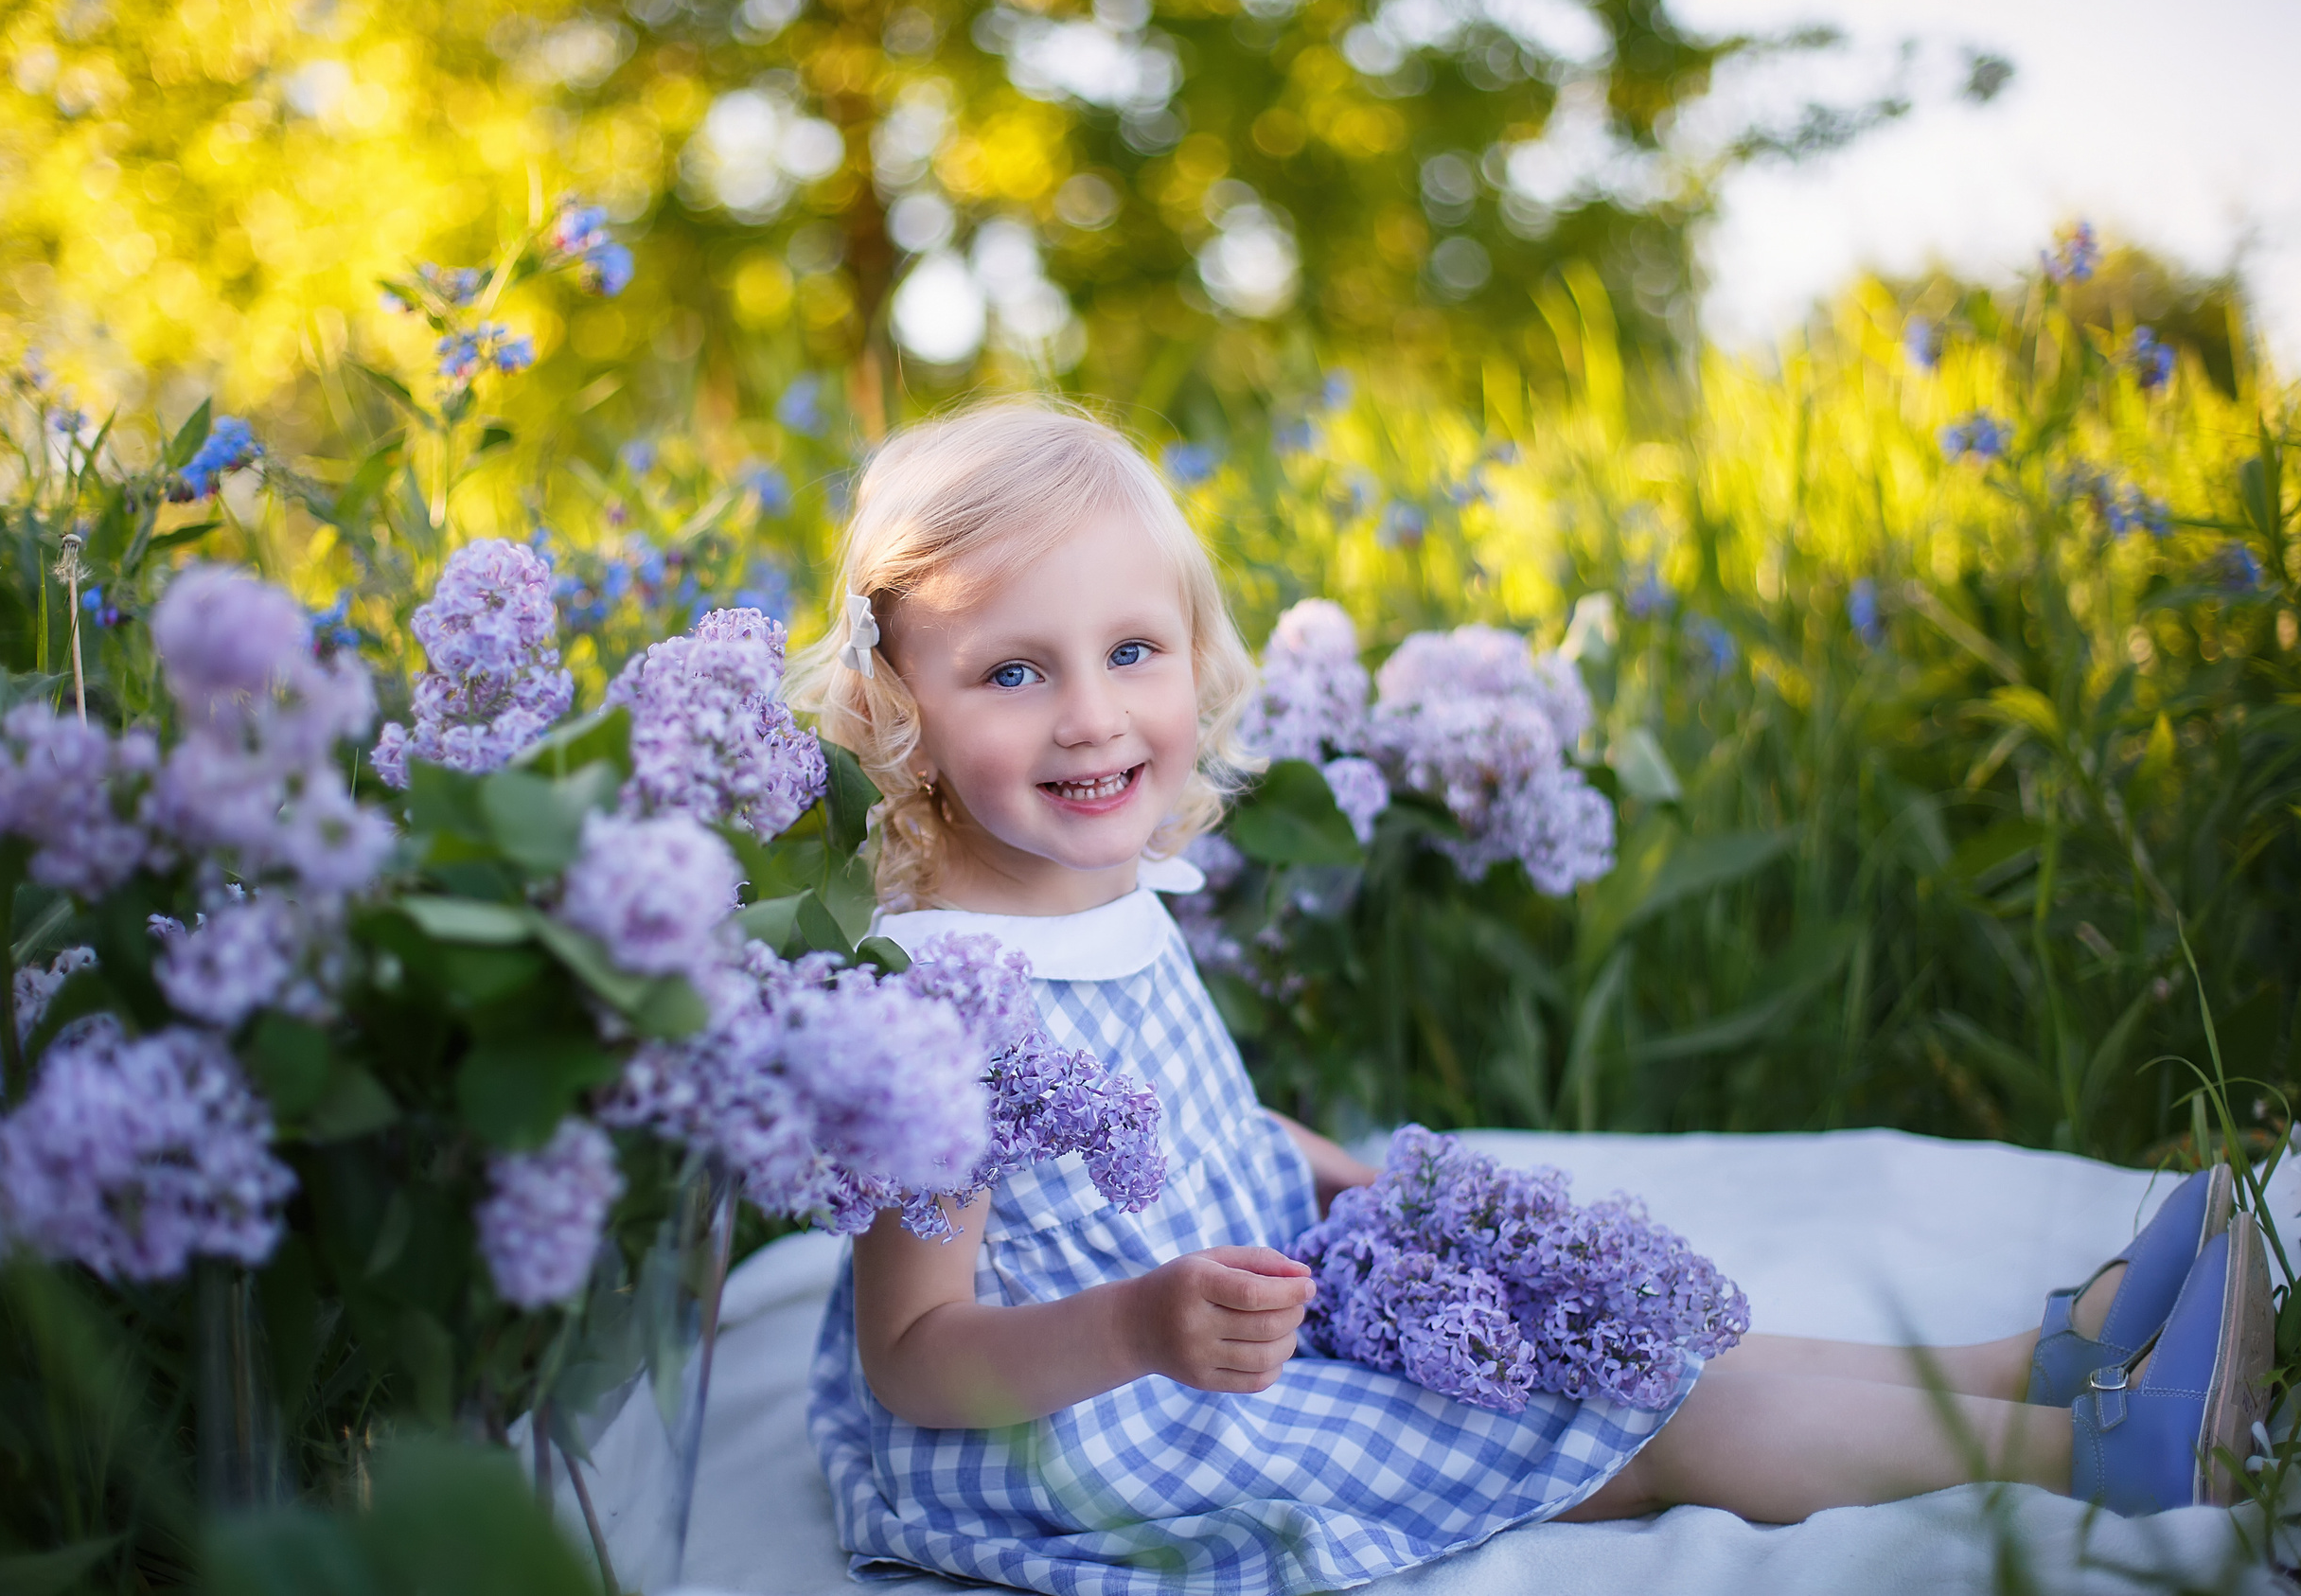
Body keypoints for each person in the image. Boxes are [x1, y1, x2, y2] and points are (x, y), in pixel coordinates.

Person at [790, 401, 2273, 1594]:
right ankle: (2100, 1454)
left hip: (1229, 1304)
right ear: (900, 714)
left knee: (1620, 1337)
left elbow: (1175, 1115)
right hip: (1100, 1427)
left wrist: (1324, 1171)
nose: (1093, 715)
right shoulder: (936, 1006)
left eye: (1131, 652)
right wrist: (1142, 1328)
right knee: (1640, 1420)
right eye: (1012, 674)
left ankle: (2037, 1361)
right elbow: (914, 1357)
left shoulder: (1105, 886)